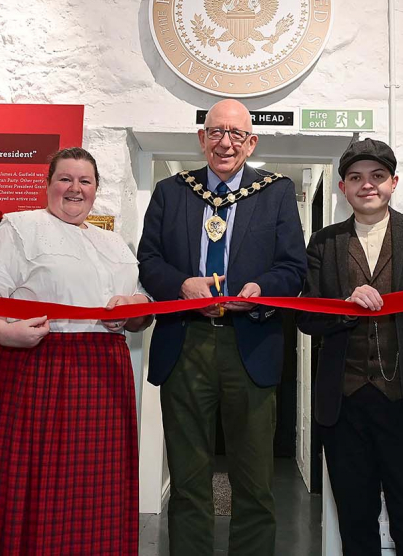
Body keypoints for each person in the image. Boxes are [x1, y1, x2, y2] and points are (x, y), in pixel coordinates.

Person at [0, 147, 149, 556]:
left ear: (96, 189)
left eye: (85, 181)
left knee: (92, 484)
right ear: (47, 185)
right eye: (65, 179)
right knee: (24, 479)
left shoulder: (115, 243)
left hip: (103, 375)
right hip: (34, 367)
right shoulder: (20, 227)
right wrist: (2, 333)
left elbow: (138, 309)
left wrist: (137, 313)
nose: (75, 188)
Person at [138, 99, 307, 555]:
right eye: (215, 132)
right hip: (185, 343)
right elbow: (148, 261)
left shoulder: (276, 192)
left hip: (249, 344)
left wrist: (259, 287)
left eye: (235, 134)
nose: (224, 142)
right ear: (201, 138)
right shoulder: (172, 192)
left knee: (254, 483)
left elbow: (294, 268)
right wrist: (180, 284)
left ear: (251, 142)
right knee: (189, 482)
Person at [296, 138, 403, 556]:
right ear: (342, 188)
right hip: (343, 408)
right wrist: (346, 309)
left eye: (377, 176)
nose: (366, 185)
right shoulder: (323, 242)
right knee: (356, 526)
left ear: (394, 182)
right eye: (355, 178)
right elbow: (307, 318)